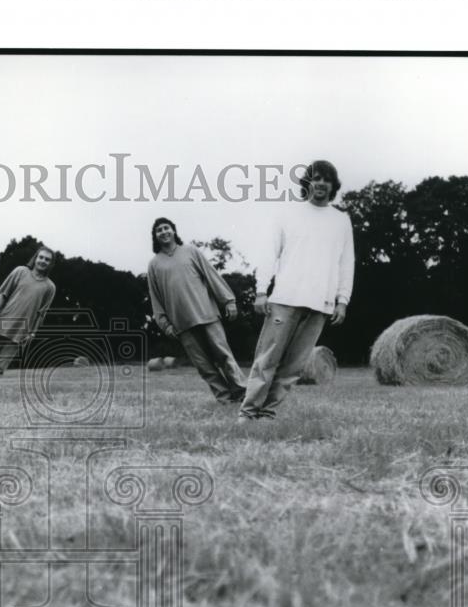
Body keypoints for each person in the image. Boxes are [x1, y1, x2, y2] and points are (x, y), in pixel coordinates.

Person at [238, 160, 355, 423]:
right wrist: (260, 290)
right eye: (315, 178)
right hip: (285, 298)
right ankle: (247, 413)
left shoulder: (341, 221)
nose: (321, 184)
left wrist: (342, 300)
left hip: (321, 304)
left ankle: (268, 413)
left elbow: (347, 263)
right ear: (307, 183)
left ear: (333, 185)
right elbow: (269, 254)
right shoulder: (288, 214)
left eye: (326, 179)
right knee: (267, 360)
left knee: (294, 367)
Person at [146, 218, 247, 404]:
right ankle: (224, 398)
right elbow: (156, 298)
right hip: (181, 324)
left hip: (207, 314)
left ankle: (242, 393)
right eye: (158, 230)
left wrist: (228, 301)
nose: (163, 232)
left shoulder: (191, 251)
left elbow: (212, 276)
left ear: (174, 231)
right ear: (155, 236)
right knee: (204, 366)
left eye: (166, 227)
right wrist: (165, 325)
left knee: (224, 356)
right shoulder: (154, 264)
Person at [0, 246, 56, 399]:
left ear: (51, 264)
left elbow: (42, 314)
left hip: (21, 333)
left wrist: (32, 332)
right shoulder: (20, 272)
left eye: (47, 259)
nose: (43, 261)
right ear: (35, 258)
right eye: (41, 257)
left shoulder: (50, 287)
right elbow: (2, 295)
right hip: (1, 324)